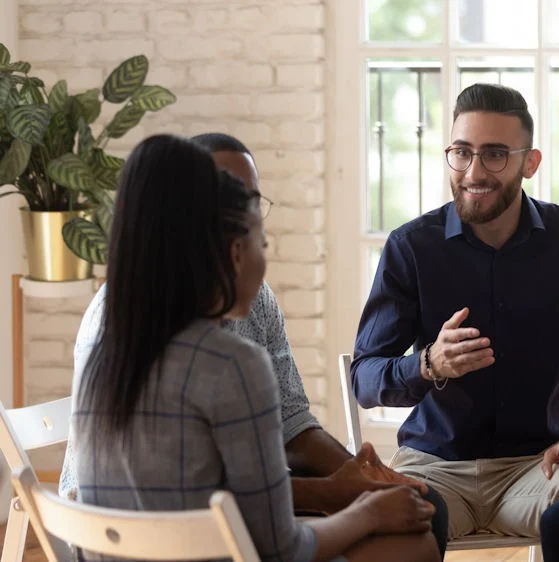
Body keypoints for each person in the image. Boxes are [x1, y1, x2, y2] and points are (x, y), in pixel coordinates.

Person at [59, 133, 450, 556]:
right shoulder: (231, 365)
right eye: (258, 236)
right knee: (416, 546)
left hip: (124, 547)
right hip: (205, 541)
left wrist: (348, 483)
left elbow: (286, 429)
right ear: (231, 249)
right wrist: (359, 509)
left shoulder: (114, 349)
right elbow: (281, 548)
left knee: (417, 513)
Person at [351, 83, 559, 540]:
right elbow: (364, 379)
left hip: (537, 467)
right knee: (392, 522)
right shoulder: (411, 247)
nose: (474, 171)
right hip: (434, 467)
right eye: (462, 152)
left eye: (495, 154)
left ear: (530, 162)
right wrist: (429, 365)